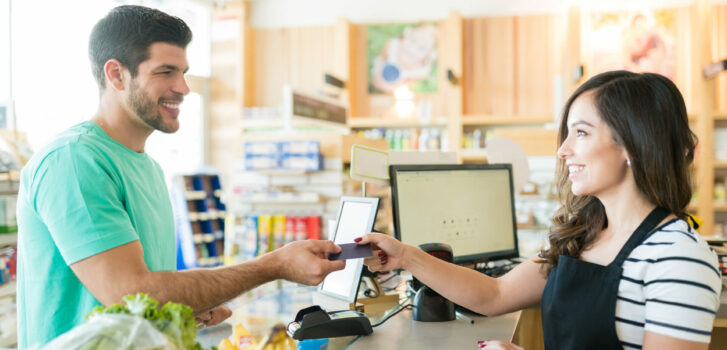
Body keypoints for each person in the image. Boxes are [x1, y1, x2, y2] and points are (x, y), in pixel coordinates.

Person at [16, 5, 345, 348]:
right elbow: (129, 294)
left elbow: (148, 298)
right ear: (116, 74)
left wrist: (188, 307)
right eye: (166, 72)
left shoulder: (149, 168)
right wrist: (271, 266)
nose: (183, 88)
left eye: (184, 72)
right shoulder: (74, 161)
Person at [357, 71, 721, 350]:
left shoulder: (679, 258)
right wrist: (406, 255)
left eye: (580, 133)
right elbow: (494, 295)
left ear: (632, 144)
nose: (563, 150)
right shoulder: (586, 233)